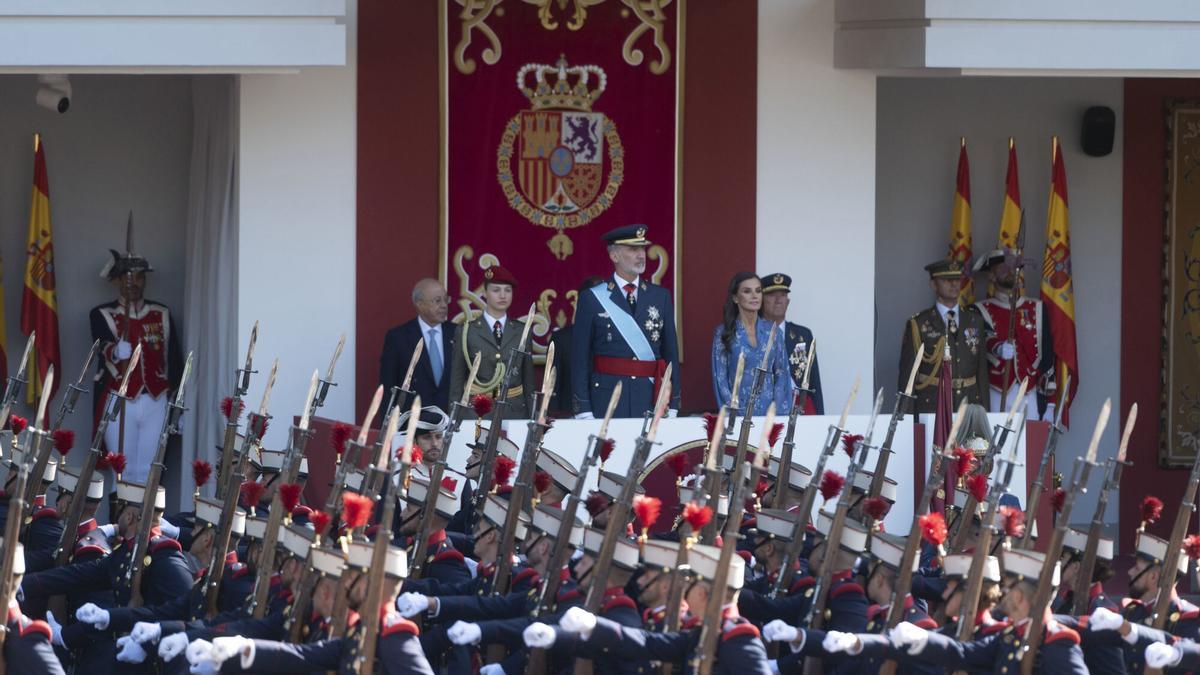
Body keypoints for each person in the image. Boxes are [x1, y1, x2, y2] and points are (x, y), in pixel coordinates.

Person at [89, 244, 183, 483]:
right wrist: (114, 351)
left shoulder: (161, 313)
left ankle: (148, 520)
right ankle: (120, 519)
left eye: (138, 277)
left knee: (150, 470)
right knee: (122, 471)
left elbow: (174, 359)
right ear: (117, 281)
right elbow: (100, 346)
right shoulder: (103, 314)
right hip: (120, 399)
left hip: (156, 398)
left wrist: (179, 405)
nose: (132, 283)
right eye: (126, 278)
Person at [571, 224, 681, 419]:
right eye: (633, 249)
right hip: (606, 398)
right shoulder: (592, 298)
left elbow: (670, 351)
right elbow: (580, 357)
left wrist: (673, 402)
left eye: (643, 249)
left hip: (650, 396)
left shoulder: (660, 296)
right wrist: (583, 408)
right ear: (614, 256)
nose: (641, 255)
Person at [973, 249, 1057, 419]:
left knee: (1030, 443)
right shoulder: (979, 310)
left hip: (1031, 392)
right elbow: (981, 340)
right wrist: (997, 348)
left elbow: (1047, 355)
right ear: (991, 276)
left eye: (1014, 266)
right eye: (1003, 267)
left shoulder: (1037, 308)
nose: (1010, 271)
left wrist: (1050, 404)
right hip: (996, 391)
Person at [899, 258, 990, 414]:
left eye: (957, 279)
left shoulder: (975, 320)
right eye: (947, 280)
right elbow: (909, 376)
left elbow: (981, 373)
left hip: (969, 405)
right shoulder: (919, 324)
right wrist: (907, 419)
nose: (954, 284)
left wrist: (985, 412)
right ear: (933, 284)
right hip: (933, 406)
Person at [449, 265, 534, 419]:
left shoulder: (523, 331)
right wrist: (454, 417)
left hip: (514, 411)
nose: (503, 295)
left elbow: (528, 381)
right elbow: (457, 380)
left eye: (507, 290)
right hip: (477, 411)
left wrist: (533, 416)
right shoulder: (467, 330)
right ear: (484, 293)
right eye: (496, 290)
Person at [711, 273, 792, 416]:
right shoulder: (724, 333)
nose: (755, 296)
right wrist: (736, 414)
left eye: (758, 291)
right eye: (747, 291)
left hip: (770, 417)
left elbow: (782, 375)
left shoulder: (773, 332)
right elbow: (720, 380)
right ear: (735, 298)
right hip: (737, 416)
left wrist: (776, 415)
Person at [379, 278, 455, 412]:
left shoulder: (458, 334)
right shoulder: (398, 337)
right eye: (437, 301)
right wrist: (388, 428)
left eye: (445, 299)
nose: (444, 305)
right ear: (420, 304)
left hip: (450, 422)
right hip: (412, 423)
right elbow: (388, 388)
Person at [760, 273, 824, 414]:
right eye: (771, 295)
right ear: (762, 301)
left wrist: (820, 416)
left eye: (782, 295)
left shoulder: (803, 335)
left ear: (788, 301)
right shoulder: (753, 335)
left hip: (799, 405)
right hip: (765, 406)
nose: (778, 300)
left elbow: (814, 381)